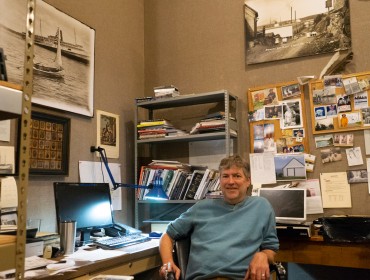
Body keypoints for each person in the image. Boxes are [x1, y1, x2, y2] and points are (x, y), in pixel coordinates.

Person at [158, 155, 279, 280]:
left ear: (248, 181)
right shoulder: (201, 208)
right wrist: (167, 263)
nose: (231, 182)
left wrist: (263, 255)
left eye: (237, 176)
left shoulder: (261, 207)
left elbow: (271, 248)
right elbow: (167, 235)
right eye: (225, 176)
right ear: (220, 181)